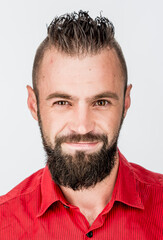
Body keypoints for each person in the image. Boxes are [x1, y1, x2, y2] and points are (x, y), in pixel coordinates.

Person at [0, 10, 162, 239]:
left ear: (126, 102)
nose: (82, 126)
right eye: (63, 102)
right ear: (34, 105)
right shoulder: (3, 222)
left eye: (101, 102)